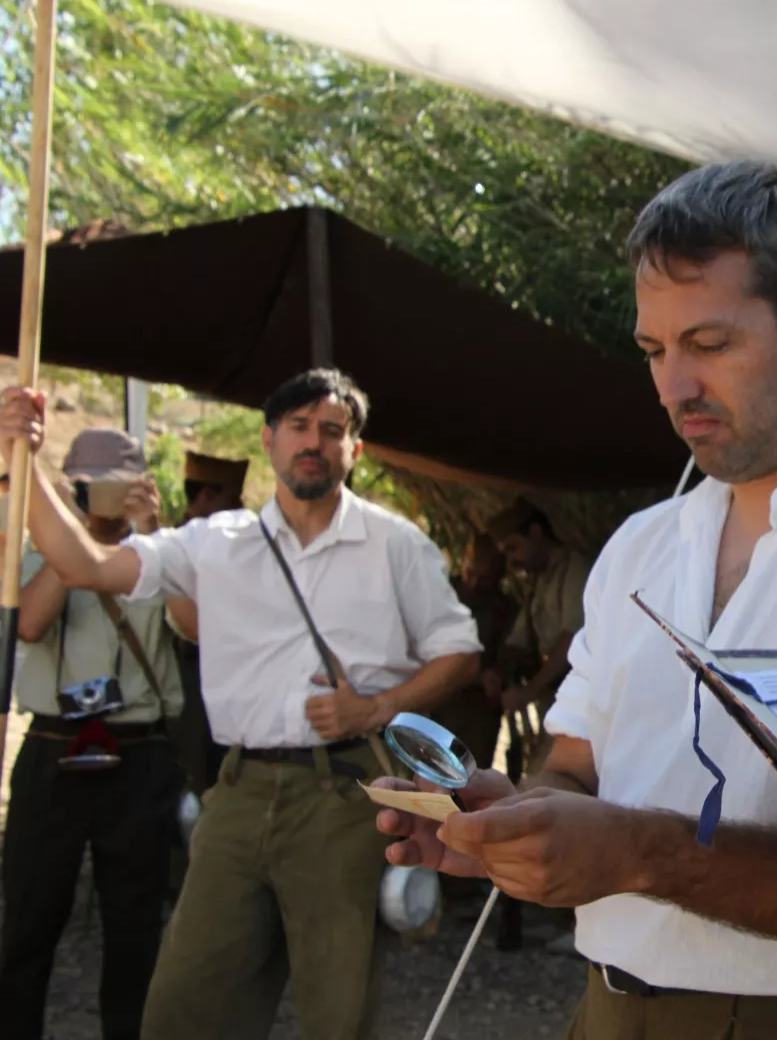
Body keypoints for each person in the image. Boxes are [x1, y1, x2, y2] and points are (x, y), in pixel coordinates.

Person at [376, 159, 777, 1040]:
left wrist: (634, 852)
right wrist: (514, 821)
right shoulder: (641, 547)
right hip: (605, 1011)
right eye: (655, 350)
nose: (673, 387)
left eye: (710, 344)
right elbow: (576, 766)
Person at [0, 367, 483, 1040]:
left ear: (356, 450)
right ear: (269, 439)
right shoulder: (216, 542)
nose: (314, 441)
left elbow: (460, 650)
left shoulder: (393, 544)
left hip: (343, 797)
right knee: (184, 1009)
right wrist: (17, 451)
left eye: (332, 431)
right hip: (236, 791)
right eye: (299, 427)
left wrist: (375, 710)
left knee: (336, 1015)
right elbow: (85, 565)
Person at [0, 428, 184, 1040]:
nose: (102, 499)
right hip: (54, 750)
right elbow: (29, 623)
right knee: (26, 922)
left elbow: (196, 630)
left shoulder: (166, 557)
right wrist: (73, 543)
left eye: (114, 486)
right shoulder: (36, 557)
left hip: (139, 755)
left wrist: (152, 534)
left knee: (135, 931)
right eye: (89, 486)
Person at [168, 450, 249, 793]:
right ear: (207, 496)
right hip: (187, 686)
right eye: (234, 500)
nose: (242, 508)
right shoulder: (171, 548)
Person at [486, 497, 588, 766]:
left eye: (513, 548)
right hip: (550, 697)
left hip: (577, 698)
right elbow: (519, 639)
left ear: (535, 532)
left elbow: (573, 639)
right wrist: (500, 671)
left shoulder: (574, 571)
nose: (512, 560)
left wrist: (529, 691)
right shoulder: (538, 583)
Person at [432, 531, 518, 771]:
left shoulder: (506, 609)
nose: (475, 584)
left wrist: (499, 675)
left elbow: (512, 650)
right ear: (463, 563)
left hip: (479, 711)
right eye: (471, 573)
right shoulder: (441, 595)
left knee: (470, 777)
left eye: (485, 578)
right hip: (438, 700)